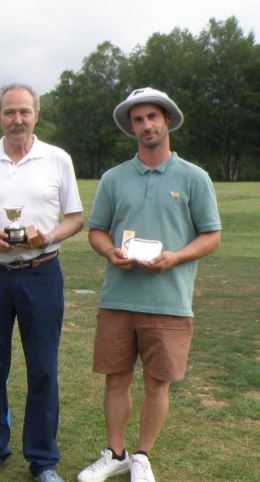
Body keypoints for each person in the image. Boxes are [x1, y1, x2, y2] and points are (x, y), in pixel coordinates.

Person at [77, 87, 221, 482]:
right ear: (131, 127)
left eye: (152, 117)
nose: (145, 126)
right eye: (137, 120)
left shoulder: (194, 177)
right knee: (116, 379)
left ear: (167, 120)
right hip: (119, 298)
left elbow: (211, 236)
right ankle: (115, 452)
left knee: (158, 383)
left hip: (170, 300)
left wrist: (175, 257)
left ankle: (141, 455)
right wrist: (109, 253)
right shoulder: (114, 178)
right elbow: (97, 231)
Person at [0, 83, 84, 482]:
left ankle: (43, 460)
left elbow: (75, 218)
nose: (17, 119)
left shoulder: (57, 159)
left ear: (36, 114)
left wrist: (47, 235)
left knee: (43, 368)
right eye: (10, 112)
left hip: (42, 272)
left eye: (24, 112)